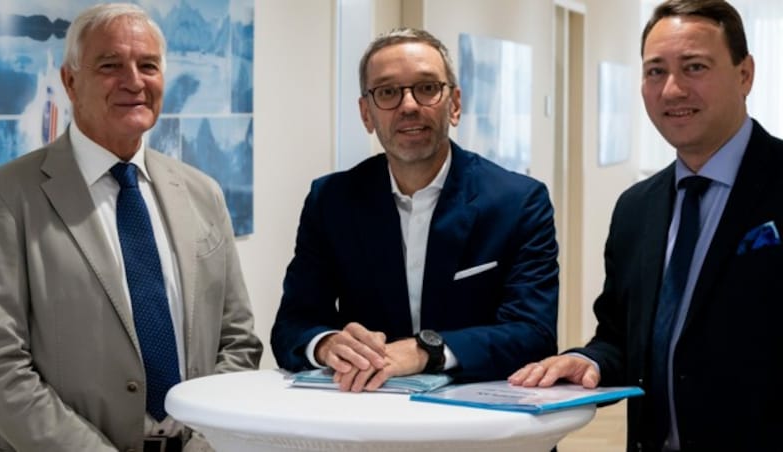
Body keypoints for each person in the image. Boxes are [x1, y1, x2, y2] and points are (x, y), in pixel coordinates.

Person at [0, 4, 263, 452]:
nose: (134, 81)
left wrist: (207, 440)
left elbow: (238, 341)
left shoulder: (202, 192)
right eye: (110, 65)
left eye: (148, 65)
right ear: (71, 81)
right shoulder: (5, 196)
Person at [510, 0, 783, 450]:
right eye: (655, 72)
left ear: (745, 74)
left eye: (694, 67)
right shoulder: (636, 208)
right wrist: (588, 361)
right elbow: (620, 335)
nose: (672, 90)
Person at [271, 28, 559, 392]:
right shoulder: (331, 200)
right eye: (387, 92)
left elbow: (534, 334)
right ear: (366, 114)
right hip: (368, 424)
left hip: (484, 423)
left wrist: (425, 351)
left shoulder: (518, 202)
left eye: (426, 88)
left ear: (454, 104)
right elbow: (292, 325)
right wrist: (328, 345)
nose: (408, 105)